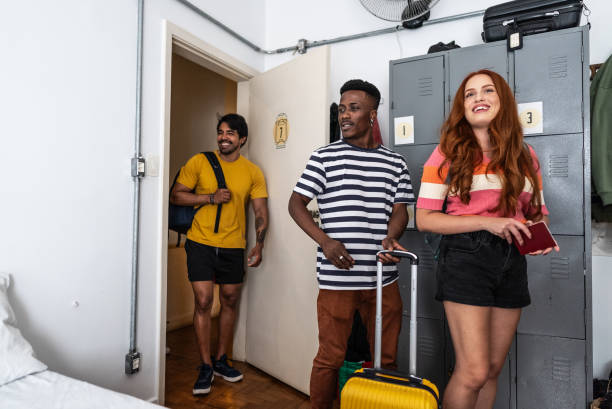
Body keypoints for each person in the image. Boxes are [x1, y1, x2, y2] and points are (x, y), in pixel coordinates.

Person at [415, 69, 559, 409]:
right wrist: (488, 223)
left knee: (493, 369)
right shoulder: (446, 154)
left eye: (487, 91)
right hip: (465, 258)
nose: (478, 98)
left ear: (503, 100)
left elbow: (539, 212)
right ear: (462, 108)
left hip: (511, 261)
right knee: (474, 371)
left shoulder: (526, 156)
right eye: (470, 94)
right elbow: (424, 219)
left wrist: (538, 236)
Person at [288, 79, 415, 409]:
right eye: (342, 108)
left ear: (372, 115)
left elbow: (400, 210)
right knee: (330, 357)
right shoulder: (324, 157)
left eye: (354, 109)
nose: (345, 115)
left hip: (382, 279)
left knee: (385, 359)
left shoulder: (395, 163)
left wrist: (392, 237)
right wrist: (325, 241)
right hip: (336, 281)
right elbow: (296, 204)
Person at [170, 113, 269, 396]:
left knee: (229, 300)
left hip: (233, 246)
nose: (223, 137)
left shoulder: (252, 171)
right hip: (200, 242)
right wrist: (210, 197)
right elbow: (177, 196)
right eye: (220, 132)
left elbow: (260, 212)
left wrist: (259, 243)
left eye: (230, 133)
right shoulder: (199, 162)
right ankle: (204, 365)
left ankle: (221, 360)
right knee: (203, 301)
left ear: (242, 139)